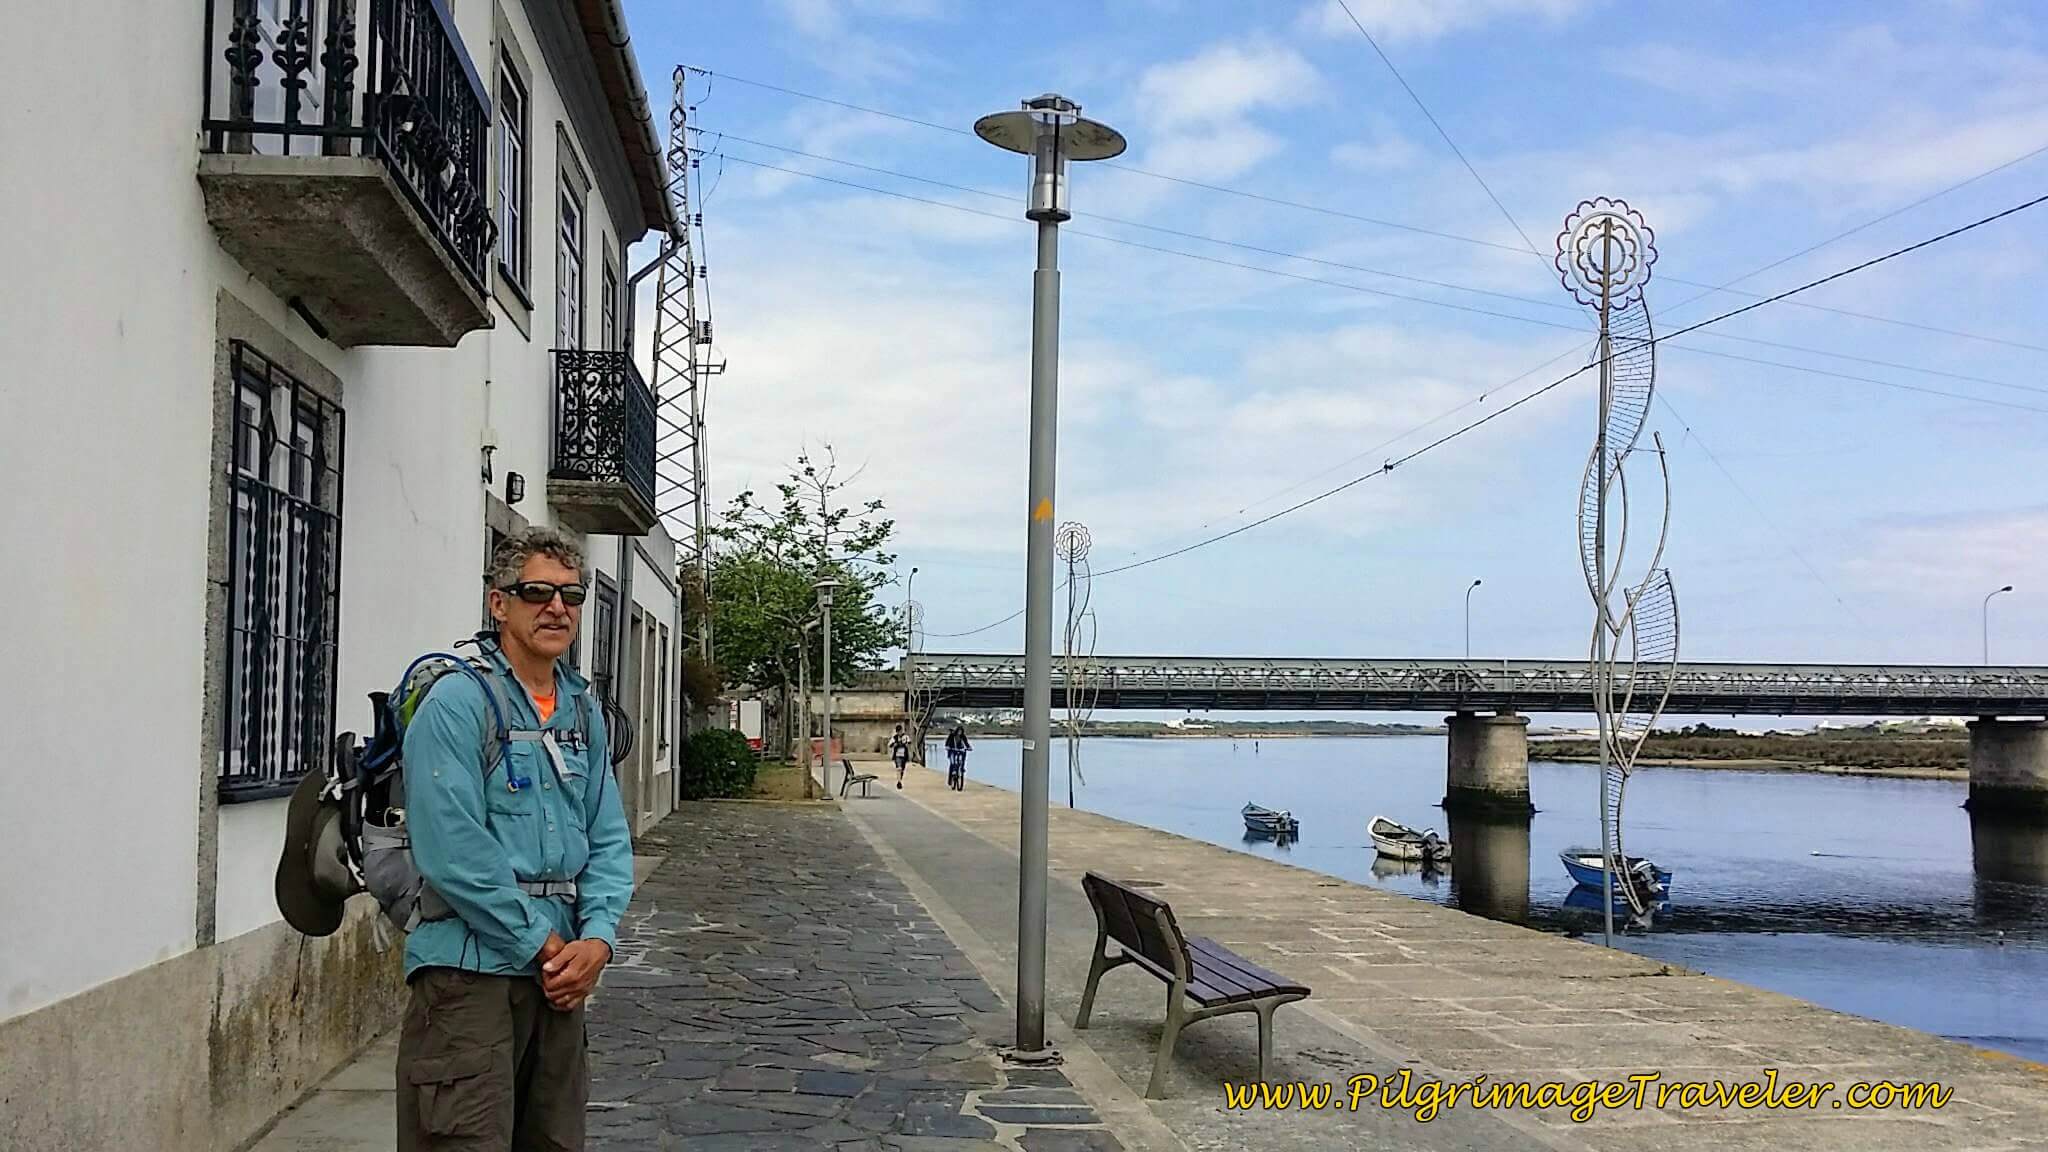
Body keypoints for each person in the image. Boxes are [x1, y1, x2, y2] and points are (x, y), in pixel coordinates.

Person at [395, 528, 633, 1151]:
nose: (557, 608)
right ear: (499, 603)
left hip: (558, 981)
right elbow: (452, 852)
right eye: (537, 592)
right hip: (469, 978)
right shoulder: (456, 704)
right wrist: (547, 944)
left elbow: (608, 838)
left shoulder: (583, 713)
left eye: (571, 595)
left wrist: (599, 940)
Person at [944, 723, 972, 790]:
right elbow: (947, 742)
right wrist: (947, 747)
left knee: (961, 760)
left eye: (961, 731)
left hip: (960, 751)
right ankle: (951, 778)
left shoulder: (963, 736)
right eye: (959, 731)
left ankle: (961, 769)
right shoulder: (952, 736)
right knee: (953, 763)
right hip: (952, 751)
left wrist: (968, 747)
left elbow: (966, 743)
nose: (960, 732)